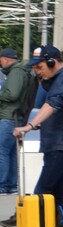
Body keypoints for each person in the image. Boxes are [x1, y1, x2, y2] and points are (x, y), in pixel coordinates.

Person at [1, 45, 63, 226]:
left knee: (41, 191)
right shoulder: (56, 79)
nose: (37, 72)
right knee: (59, 194)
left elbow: (52, 105)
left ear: (52, 62)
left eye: (40, 67)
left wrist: (30, 125)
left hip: (61, 145)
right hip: (56, 144)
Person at [0, 48, 29, 195]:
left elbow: (12, 94)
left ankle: (2, 185)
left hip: (9, 116)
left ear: (6, 59)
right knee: (10, 152)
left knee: (2, 151)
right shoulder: (20, 71)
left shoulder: (16, 72)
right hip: (15, 116)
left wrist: (0, 94)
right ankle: (11, 185)